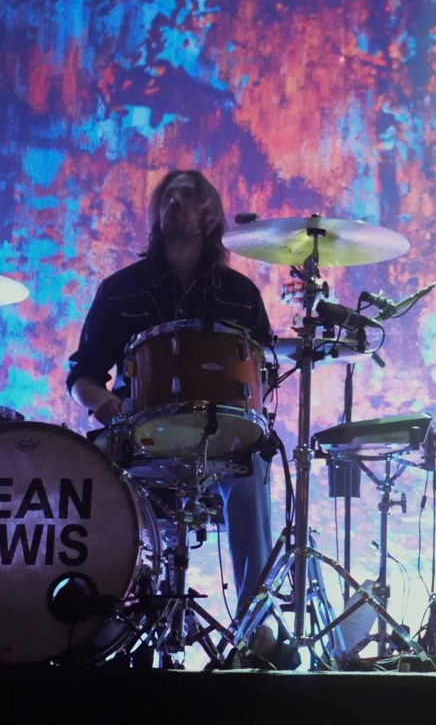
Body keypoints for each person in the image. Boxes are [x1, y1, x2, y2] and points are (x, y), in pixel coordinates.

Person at [67, 169, 277, 625]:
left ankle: (254, 628)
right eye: (168, 196)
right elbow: (82, 375)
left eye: (188, 195)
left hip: (220, 443)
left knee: (253, 472)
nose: (175, 201)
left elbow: (264, 374)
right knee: (87, 474)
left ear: (210, 216)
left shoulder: (240, 295)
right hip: (139, 440)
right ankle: (98, 623)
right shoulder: (120, 290)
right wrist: (102, 402)